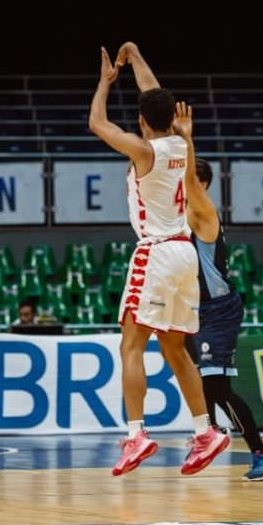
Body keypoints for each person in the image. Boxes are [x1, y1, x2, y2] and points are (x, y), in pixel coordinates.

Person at [90, 41, 229, 477]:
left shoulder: (143, 150)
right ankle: (205, 430)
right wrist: (138, 58)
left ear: (140, 122)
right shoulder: (181, 143)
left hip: (155, 252)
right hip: (186, 254)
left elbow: (97, 123)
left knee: (131, 345)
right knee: (175, 349)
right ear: (172, 117)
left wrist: (107, 80)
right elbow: (156, 95)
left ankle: (136, 435)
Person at [172, 102, 263, 481]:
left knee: (217, 387)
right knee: (203, 384)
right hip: (192, 309)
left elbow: (186, 176)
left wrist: (185, 139)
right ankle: (211, 433)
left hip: (216, 309)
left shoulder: (203, 211)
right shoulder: (179, 215)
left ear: (200, 185)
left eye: (187, 179)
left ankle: (262, 453)